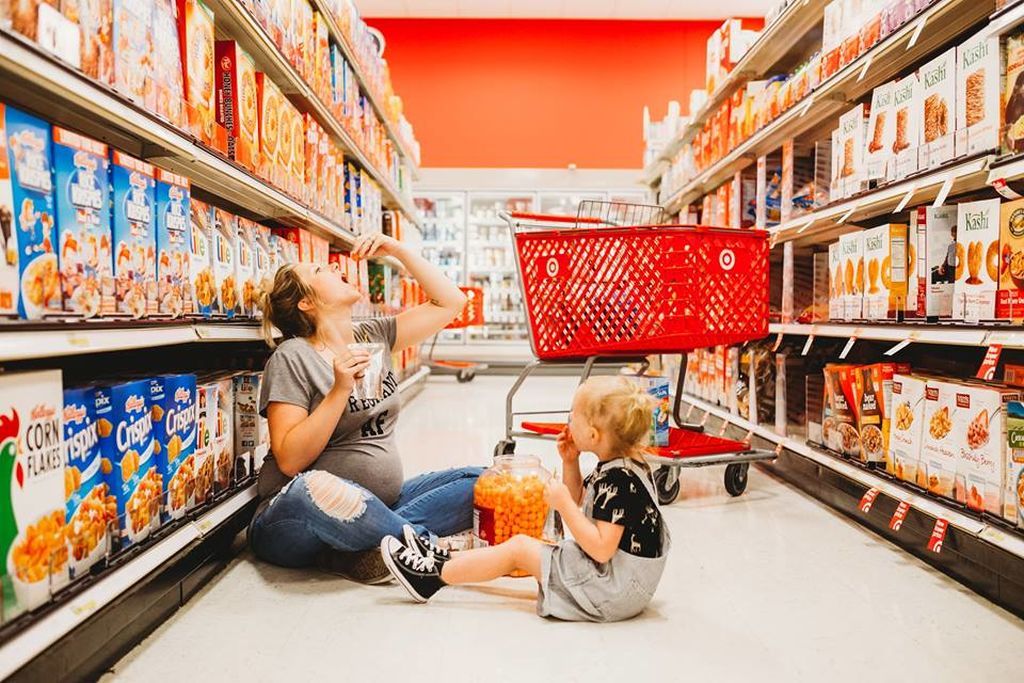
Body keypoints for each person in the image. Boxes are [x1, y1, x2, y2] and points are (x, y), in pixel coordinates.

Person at [250, 232, 482, 583]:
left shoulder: (373, 335)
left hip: (381, 504)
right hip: (294, 517)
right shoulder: (292, 356)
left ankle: (364, 548)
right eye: (319, 269)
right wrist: (340, 389)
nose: (331, 265)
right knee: (312, 488)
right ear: (305, 303)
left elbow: (451, 303)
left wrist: (398, 251)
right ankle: (427, 554)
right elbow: (291, 460)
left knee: (481, 481)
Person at [380, 376, 671, 622]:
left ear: (593, 435)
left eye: (573, 415)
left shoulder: (620, 481)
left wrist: (565, 505)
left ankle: (431, 578)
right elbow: (581, 501)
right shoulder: (627, 466)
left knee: (520, 548)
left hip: (614, 591)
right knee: (525, 548)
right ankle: (441, 558)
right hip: (623, 583)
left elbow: (600, 549)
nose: (567, 419)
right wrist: (570, 462)